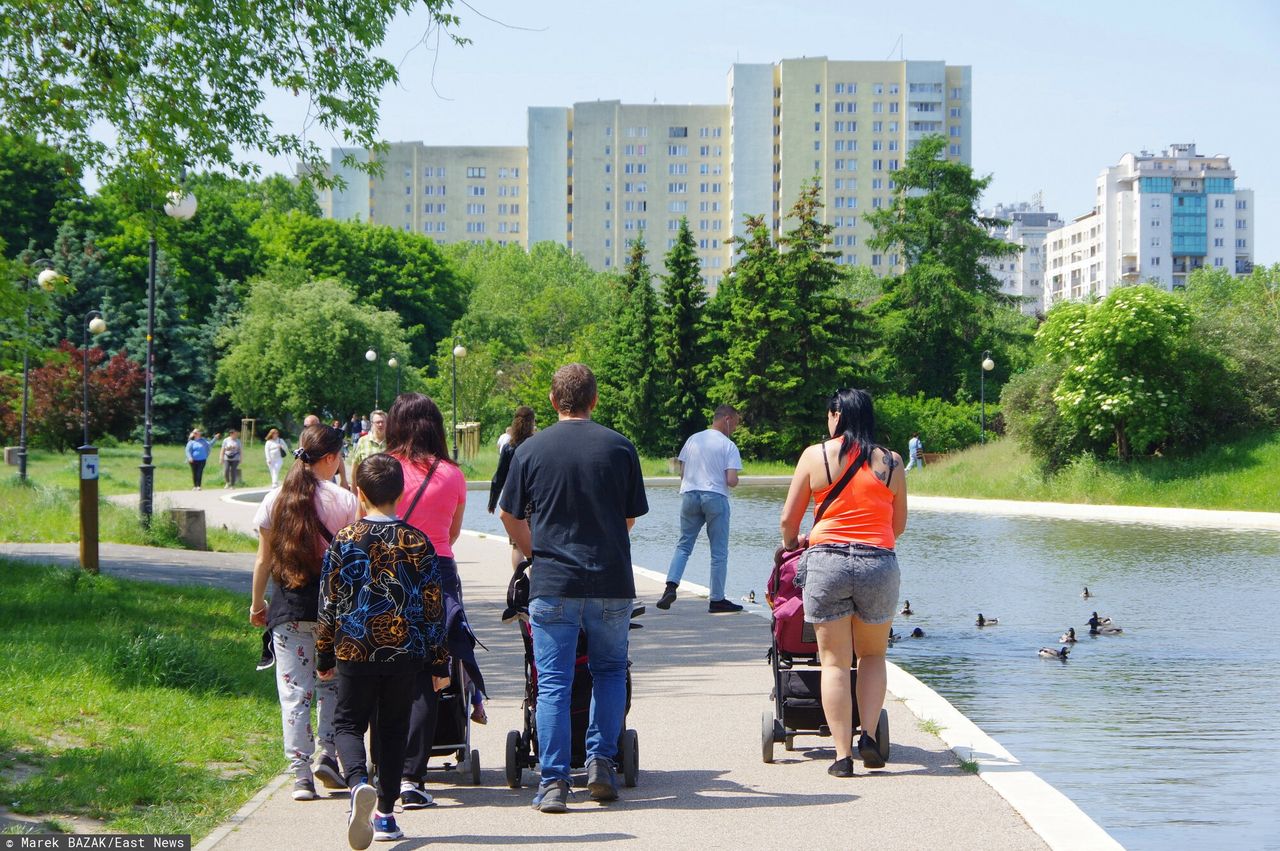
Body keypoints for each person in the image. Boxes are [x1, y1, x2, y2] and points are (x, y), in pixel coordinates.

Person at [499, 363, 648, 813]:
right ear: (595, 400)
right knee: (607, 672)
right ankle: (601, 762)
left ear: (552, 400)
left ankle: (554, 782)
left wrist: (535, 553)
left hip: (553, 583)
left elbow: (508, 515)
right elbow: (628, 519)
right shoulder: (620, 448)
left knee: (554, 683)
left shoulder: (530, 450)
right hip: (610, 581)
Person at [316, 453, 448, 849]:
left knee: (348, 723)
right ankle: (386, 813)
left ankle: (357, 782)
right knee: (392, 730)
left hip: (354, 648)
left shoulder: (345, 539)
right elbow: (432, 606)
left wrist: (324, 654)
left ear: (359, 492)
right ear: (401, 492)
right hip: (404, 651)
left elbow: (329, 602)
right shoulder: (418, 541)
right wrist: (438, 660)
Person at [779, 389, 907, 778]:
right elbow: (897, 525)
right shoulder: (892, 462)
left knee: (833, 662)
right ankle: (868, 736)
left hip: (827, 561)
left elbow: (789, 520)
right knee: (872, 657)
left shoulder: (814, 455)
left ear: (837, 415)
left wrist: (792, 544)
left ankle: (841, 755)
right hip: (878, 563)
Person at [385, 392, 486, 808]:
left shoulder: (381, 468)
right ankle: (412, 778)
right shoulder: (453, 474)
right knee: (429, 675)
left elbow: (364, 521)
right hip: (437, 573)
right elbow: (453, 533)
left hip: (387, 571)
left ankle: (381, 771)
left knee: (386, 671)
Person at [249, 425, 358, 801]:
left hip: (288, 608)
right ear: (329, 458)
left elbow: (263, 559)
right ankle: (328, 753)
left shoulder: (274, 499)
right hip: (334, 611)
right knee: (332, 685)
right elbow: (351, 562)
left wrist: (256, 604)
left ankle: (300, 775)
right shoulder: (344, 501)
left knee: (295, 694)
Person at [657, 404, 744, 613]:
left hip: (689, 495)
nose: (734, 430)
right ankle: (717, 600)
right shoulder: (728, 445)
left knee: (684, 545)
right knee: (719, 552)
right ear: (727, 419)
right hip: (715, 498)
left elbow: (682, 473)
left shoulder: (693, 439)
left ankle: (671, 586)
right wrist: (736, 479)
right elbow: (731, 480)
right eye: (735, 424)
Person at [488, 405, 536, 570]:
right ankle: (534, 581)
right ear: (532, 423)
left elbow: (498, 476)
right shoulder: (535, 446)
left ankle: (518, 580)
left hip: (514, 498)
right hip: (533, 499)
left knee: (517, 544)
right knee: (534, 541)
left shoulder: (509, 447)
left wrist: (493, 501)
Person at [304, 413, 349, 490]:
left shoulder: (327, 439)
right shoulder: (303, 438)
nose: (308, 429)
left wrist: (343, 479)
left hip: (327, 479)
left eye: (312, 426)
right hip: (306, 479)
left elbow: (338, 457)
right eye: (305, 426)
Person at [347, 409, 387, 490]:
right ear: (372, 424)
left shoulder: (393, 442)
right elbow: (355, 468)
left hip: (388, 491)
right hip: (366, 490)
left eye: (383, 422)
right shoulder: (363, 441)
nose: (380, 424)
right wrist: (354, 490)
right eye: (377, 422)